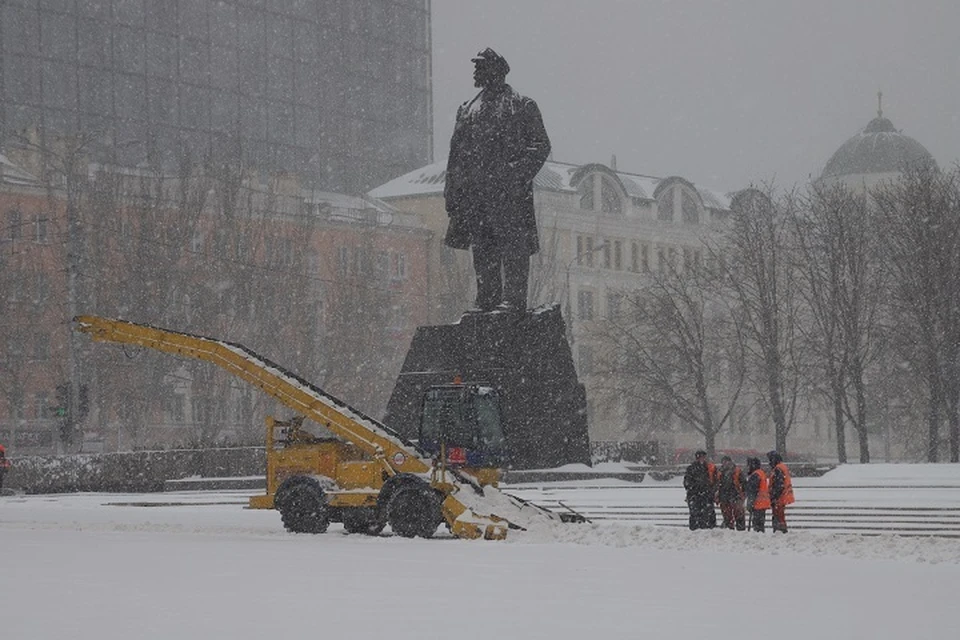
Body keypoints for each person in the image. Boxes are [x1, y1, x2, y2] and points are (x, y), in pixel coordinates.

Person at [444, 47, 552, 312]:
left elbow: (540, 145)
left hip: (508, 195)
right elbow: (456, 153)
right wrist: (452, 191)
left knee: (513, 246)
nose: (475, 71)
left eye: (481, 66)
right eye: (476, 66)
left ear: (497, 70)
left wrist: (514, 176)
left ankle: (513, 301)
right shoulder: (467, 109)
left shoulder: (522, 105)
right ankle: (487, 299)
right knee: (483, 248)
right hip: (477, 193)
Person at [683, 450, 717, 530]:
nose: (702, 459)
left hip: (706, 496)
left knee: (708, 514)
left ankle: (707, 528)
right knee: (696, 514)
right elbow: (687, 482)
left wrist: (711, 490)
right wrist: (696, 489)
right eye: (700, 457)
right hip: (696, 496)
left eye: (703, 457)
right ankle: (697, 529)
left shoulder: (710, 468)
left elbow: (715, 481)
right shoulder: (691, 469)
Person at [715, 456, 745, 530]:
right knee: (727, 517)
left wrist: (742, 495)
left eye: (727, 461)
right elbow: (717, 485)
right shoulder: (720, 472)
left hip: (736, 496)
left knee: (739, 516)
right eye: (724, 462)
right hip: (724, 498)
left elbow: (744, 484)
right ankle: (730, 530)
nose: (725, 463)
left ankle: (740, 531)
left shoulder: (737, 471)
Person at [768, 450, 795, 533]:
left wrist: (773, 497)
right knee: (780, 515)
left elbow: (778, 485)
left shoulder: (778, 469)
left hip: (780, 497)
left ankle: (780, 530)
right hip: (783, 495)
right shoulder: (782, 467)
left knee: (778, 515)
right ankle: (781, 529)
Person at [744, 457, 770, 532]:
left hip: (758, 504)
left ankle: (759, 536)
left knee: (757, 524)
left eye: (749, 465)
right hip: (763, 503)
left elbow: (752, 491)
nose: (748, 468)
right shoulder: (761, 473)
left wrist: (750, 504)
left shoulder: (755, 475)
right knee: (760, 524)